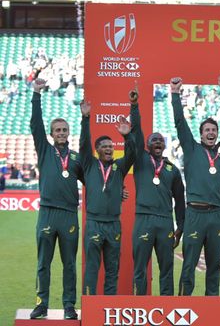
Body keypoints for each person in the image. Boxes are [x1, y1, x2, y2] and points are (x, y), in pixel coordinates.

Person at [29, 78, 83, 320]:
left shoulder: (76, 157)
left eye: (64, 130)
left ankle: (69, 305)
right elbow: (35, 124)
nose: (61, 133)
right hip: (48, 212)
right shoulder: (44, 149)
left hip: (69, 214)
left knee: (69, 264)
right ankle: (42, 304)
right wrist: (37, 94)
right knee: (44, 263)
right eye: (57, 130)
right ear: (51, 134)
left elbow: (92, 182)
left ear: (68, 133)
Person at [171, 76, 220, 296]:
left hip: (217, 215)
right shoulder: (192, 149)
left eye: (214, 130)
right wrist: (175, 95)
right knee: (189, 265)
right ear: (201, 133)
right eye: (207, 130)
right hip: (195, 213)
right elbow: (179, 123)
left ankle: (211, 307)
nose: (211, 133)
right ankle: (184, 305)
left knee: (214, 265)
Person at [129, 83, 185, 296]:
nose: (158, 143)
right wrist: (134, 106)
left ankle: (166, 305)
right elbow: (135, 132)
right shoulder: (141, 160)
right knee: (140, 268)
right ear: (147, 145)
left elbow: (180, 200)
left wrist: (180, 226)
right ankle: (140, 306)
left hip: (164, 220)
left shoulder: (172, 168)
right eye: (154, 141)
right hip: (144, 218)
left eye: (161, 141)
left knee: (167, 269)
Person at [80, 99, 135, 296]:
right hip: (94, 223)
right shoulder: (89, 164)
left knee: (113, 270)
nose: (109, 149)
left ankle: (107, 307)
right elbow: (84, 144)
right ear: (97, 150)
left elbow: (132, 154)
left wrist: (127, 137)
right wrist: (85, 119)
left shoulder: (119, 167)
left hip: (113, 224)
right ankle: (89, 306)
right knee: (92, 269)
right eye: (104, 146)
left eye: (111, 146)